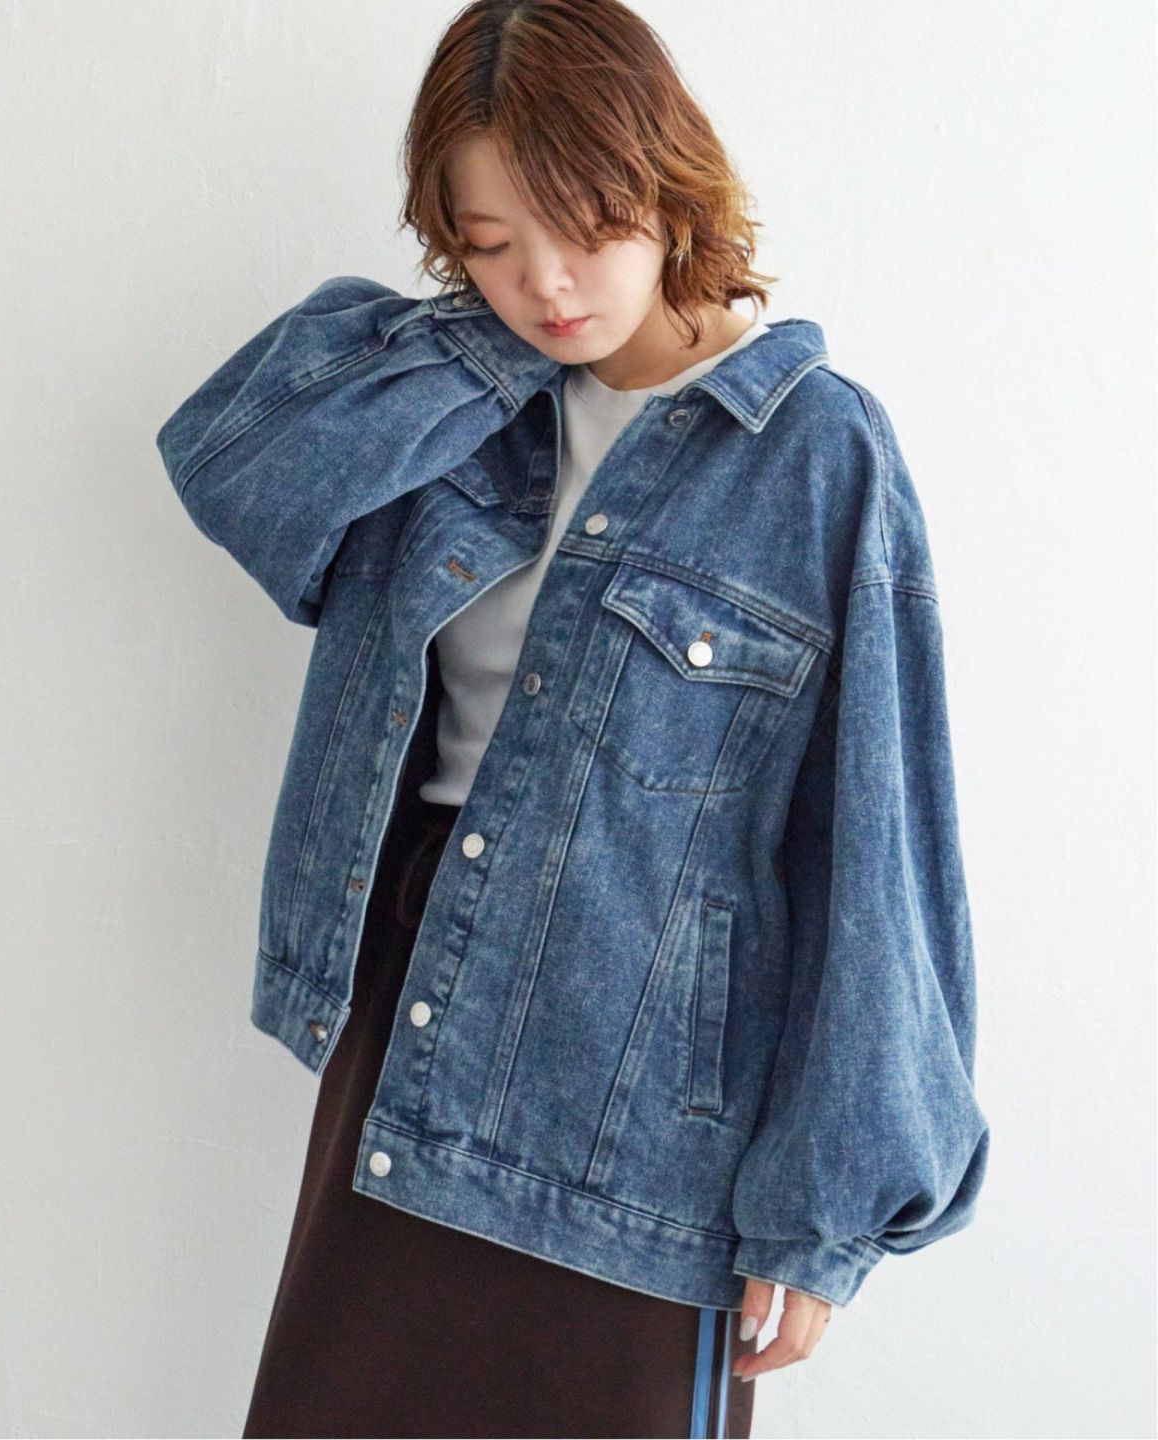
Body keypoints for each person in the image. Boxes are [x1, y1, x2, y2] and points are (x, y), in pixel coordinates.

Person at [155, 2, 990, 1435]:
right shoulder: (453, 414)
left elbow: (879, 841)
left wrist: (826, 1214)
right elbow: (241, 472)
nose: (545, 285)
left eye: (587, 227)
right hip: (415, 1021)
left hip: (645, 1092)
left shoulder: (816, 453)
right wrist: (494, 355)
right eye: (490, 243)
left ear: (666, 188)